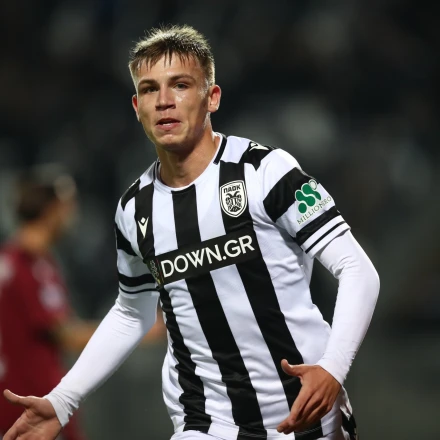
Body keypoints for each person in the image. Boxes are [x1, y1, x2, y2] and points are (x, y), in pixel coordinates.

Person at [2, 25, 379, 440]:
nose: (164, 100)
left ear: (211, 97)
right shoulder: (134, 208)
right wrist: (63, 399)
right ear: (137, 106)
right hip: (205, 422)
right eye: (149, 89)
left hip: (308, 414)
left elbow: (357, 269)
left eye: (180, 85)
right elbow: (132, 311)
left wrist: (332, 368)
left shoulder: (266, 172)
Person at [0, 165, 165, 440]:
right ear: (51, 210)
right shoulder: (28, 267)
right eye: (67, 205)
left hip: (18, 397)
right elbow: (66, 335)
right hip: (32, 399)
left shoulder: (16, 261)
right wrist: (142, 329)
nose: (72, 214)